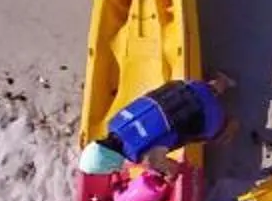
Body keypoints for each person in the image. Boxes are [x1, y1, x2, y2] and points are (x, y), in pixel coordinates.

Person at [75, 73, 235, 179]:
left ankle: (230, 125)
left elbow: (174, 169)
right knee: (204, 91)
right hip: (187, 86)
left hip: (207, 114)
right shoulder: (115, 123)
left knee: (218, 137)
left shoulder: (147, 157)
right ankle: (223, 82)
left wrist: (164, 175)